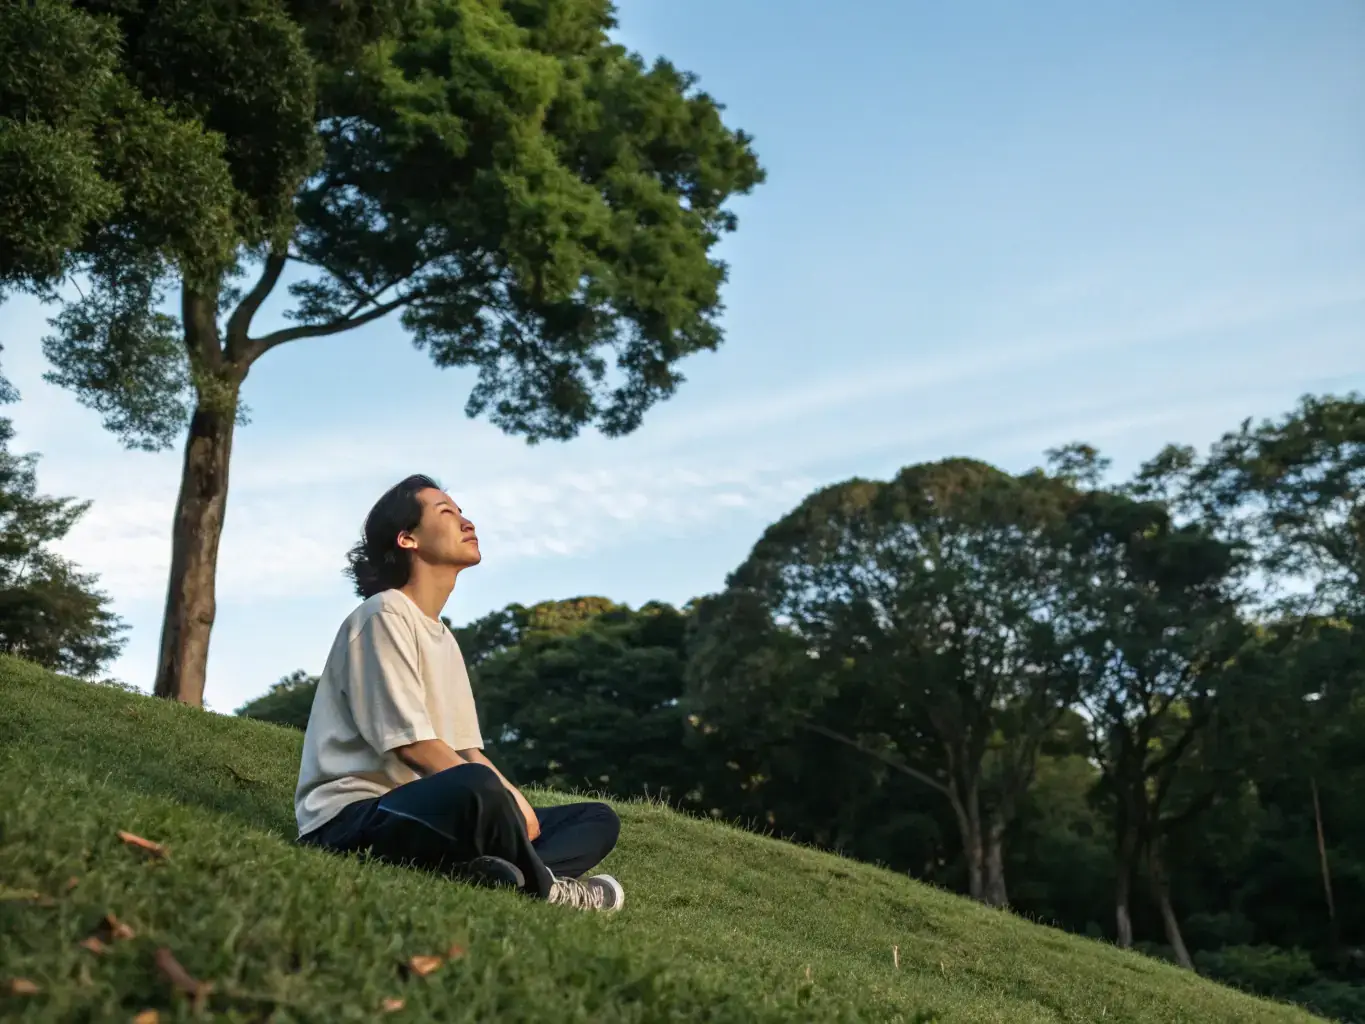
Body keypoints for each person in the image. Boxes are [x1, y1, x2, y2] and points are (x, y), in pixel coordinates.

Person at [293, 474, 624, 912]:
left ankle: (492, 872)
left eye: (462, 512)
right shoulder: (383, 614)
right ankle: (545, 886)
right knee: (476, 787)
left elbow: (467, 749)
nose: (466, 522)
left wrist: (516, 804)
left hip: (438, 807)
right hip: (354, 820)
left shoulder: (444, 638)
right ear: (407, 538)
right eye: (447, 512)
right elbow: (413, 746)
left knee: (595, 819)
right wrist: (498, 799)